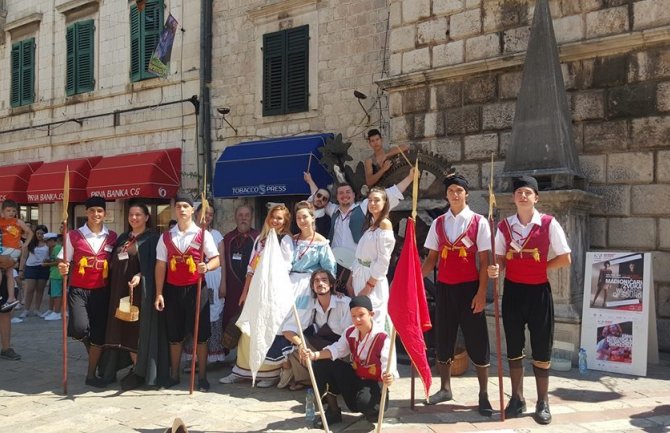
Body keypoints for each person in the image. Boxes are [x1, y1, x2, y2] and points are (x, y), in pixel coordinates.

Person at [487, 176, 572, 425]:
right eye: (518, 193)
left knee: (541, 349)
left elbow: (565, 257)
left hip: (538, 294)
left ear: (536, 197)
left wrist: (541, 267)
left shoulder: (548, 223)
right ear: (513, 198)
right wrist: (496, 268)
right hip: (513, 292)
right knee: (514, 348)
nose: (523, 196)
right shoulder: (504, 226)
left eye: (527, 193)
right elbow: (500, 258)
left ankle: (542, 402)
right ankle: (517, 398)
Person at [420, 174, 493, 414]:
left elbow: (484, 262)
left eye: (459, 190)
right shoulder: (438, 223)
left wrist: (482, 293)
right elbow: (431, 258)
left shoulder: (478, 222)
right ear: (446, 195)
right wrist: (415, 278)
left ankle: (483, 393)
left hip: (469, 288)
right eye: (451, 190)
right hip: (445, 288)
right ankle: (445, 388)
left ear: (466, 194)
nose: (454, 194)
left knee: (477, 338)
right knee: (444, 337)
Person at [303, 168, 415, 293]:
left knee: (354, 298)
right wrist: (310, 181)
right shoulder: (333, 210)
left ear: (354, 195)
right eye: (341, 193)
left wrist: (410, 177)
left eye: (348, 192)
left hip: (355, 266)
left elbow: (388, 195)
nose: (344, 195)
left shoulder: (363, 207)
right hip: (336, 264)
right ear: (337, 197)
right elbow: (318, 196)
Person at [220, 204, 292, 387]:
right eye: (273, 217)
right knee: (248, 330)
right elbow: (251, 268)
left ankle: (268, 374)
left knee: (267, 330)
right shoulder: (260, 239)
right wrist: (245, 291)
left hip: (272, 292)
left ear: (285, 222)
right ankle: (241, 370)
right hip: (255, 290)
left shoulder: (286, 240)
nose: (275, 221)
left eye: (280, 218)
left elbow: (286, 267)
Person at [154, 196, 220, 392]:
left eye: (186, 206)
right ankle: (174, 375)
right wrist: (159, 293)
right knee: (175, 334)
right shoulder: (166, 236)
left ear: (193, 211)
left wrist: (206, 267)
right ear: (175, 210)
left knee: (201, 335)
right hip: (173, 290)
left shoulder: (203, 234)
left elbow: (216, 259)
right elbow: (160, 265)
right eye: (179, 206)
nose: (182, 209)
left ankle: (202, 377)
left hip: (196, 288)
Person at [301, 295, 395, 427]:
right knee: (323, 363)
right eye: (353, 316)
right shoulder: (350, 332)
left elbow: (389, 364)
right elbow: (336, 349)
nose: (357, 319)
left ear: (371, 314)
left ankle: (375, 408)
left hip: (374, 381)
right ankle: (333, 412)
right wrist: (314, 355)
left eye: (361, 315)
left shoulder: (382, 337)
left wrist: (389, 376)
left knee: (366, 405)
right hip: (356, 376)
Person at [275, 201, 337, 388]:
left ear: (313, 218)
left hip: (306, 287)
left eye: (305, 216)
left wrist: (327, 289)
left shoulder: (321, 243)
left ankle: (300, 373)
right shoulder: (292, 240)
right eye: (299, 217)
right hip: (289, 285)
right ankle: (290, 369)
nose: (302, 220)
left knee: (296, 326)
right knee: (281, 325)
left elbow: (329, 269)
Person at [58, 196, 118, 388]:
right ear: (87, 213)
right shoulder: (73, 235)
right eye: (92, 211)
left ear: (105, 213)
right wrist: (63, 267)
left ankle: (92, 374)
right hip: (79, 289)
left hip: (102, 291)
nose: (96, 214)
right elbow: (63, 260)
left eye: (99, 211)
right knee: (79, 328)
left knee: (99, 334)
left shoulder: (112, 236)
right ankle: (93, 350)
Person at [104, 202, 164, 390]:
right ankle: (131, 367)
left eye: (138, 214)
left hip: (141, 295)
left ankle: (141, 370)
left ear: (146, 217)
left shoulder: (153, 239)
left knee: (139, 331)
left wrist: (140, 276)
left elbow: (155, 266)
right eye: (131, 214)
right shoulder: (123, 238)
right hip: (121, 293)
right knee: (125, 330)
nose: (134, 218)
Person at [281, 269, 351, 390]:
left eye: (324, 280)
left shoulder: (344, 303)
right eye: (316, 281)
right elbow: (287, 330)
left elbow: (348, 338)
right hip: (320, 345)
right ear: (313, 287)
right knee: (294, 348)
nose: (320, 283)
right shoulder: (311, 306)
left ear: (331, 284)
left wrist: (320, 354)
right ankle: (306, 380)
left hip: (341, 350)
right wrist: (301, 345)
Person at [347, 186, 397, 329]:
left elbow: (383, 260)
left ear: (384, 203)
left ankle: (379, 350)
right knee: (361, 318)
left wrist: (369, 285)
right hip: (361, 274)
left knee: (374, 318)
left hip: (372, 278)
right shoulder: (372, 226)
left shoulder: (384, 224)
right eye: (370, 200)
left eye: (376, 200)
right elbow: (360, 256)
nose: (372, 204)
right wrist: (351, 279)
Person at [184, 204, 226, 365]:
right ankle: (194, 358)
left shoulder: (216, 235)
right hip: (194, 279)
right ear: (196, 213)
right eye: (204, 213)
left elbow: (222, 261)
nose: (207, 217)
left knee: (213, 316)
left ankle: (212, 356)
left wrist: (223, 283)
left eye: (211, 214)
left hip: (214, 278)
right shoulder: (189, 233)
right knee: (197, 315)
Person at [220, 205, 259, 340]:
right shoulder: (227, 238)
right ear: (235, 218)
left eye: (246, 215)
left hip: (253, 288)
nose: (243, 218)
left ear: (251, 217)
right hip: (232, 287)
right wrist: (223, 284)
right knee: (231, 319)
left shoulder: (258, 237)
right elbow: (223, 263)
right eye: (240, 215)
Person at [0, 199, 33, 312]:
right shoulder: (1, 221)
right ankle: (11, 297)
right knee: (9, 273)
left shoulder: (18, 222)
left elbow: (30, 232)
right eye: (8, 210)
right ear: (2, 212)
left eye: (13, 211)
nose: (11, 213)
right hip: (5, 249)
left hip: (12, 249)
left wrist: (25, 245)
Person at [18, 225, 50, 318]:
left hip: (43, 268)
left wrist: (48, 261)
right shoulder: (30, 243)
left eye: (42, 233)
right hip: (31, 267)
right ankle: (26, 310)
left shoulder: (48, 243)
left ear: (46, 234)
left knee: (40, 290)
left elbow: (51, 256)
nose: (40, 235)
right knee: (30, 289)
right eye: (38, 233)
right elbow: (23, 257)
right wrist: (21, 270)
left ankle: (37, 310)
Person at [0, 256, 20, 360]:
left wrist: (10, 260)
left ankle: (6, 349)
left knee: (5, 313)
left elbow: (14, 260)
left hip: (4, 276)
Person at [42, 233, 63, 321]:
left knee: (57, 294)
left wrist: (47, 264)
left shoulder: (57, 248)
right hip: (55, 274)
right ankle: (55, 311)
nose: (47, 244)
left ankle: (57, 312)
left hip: (57, 274)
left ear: (51, 241)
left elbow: (59, 261)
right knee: (54, 294)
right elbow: (55, 260)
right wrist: (49, 260)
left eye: (47, 242)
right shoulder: (55, 248)